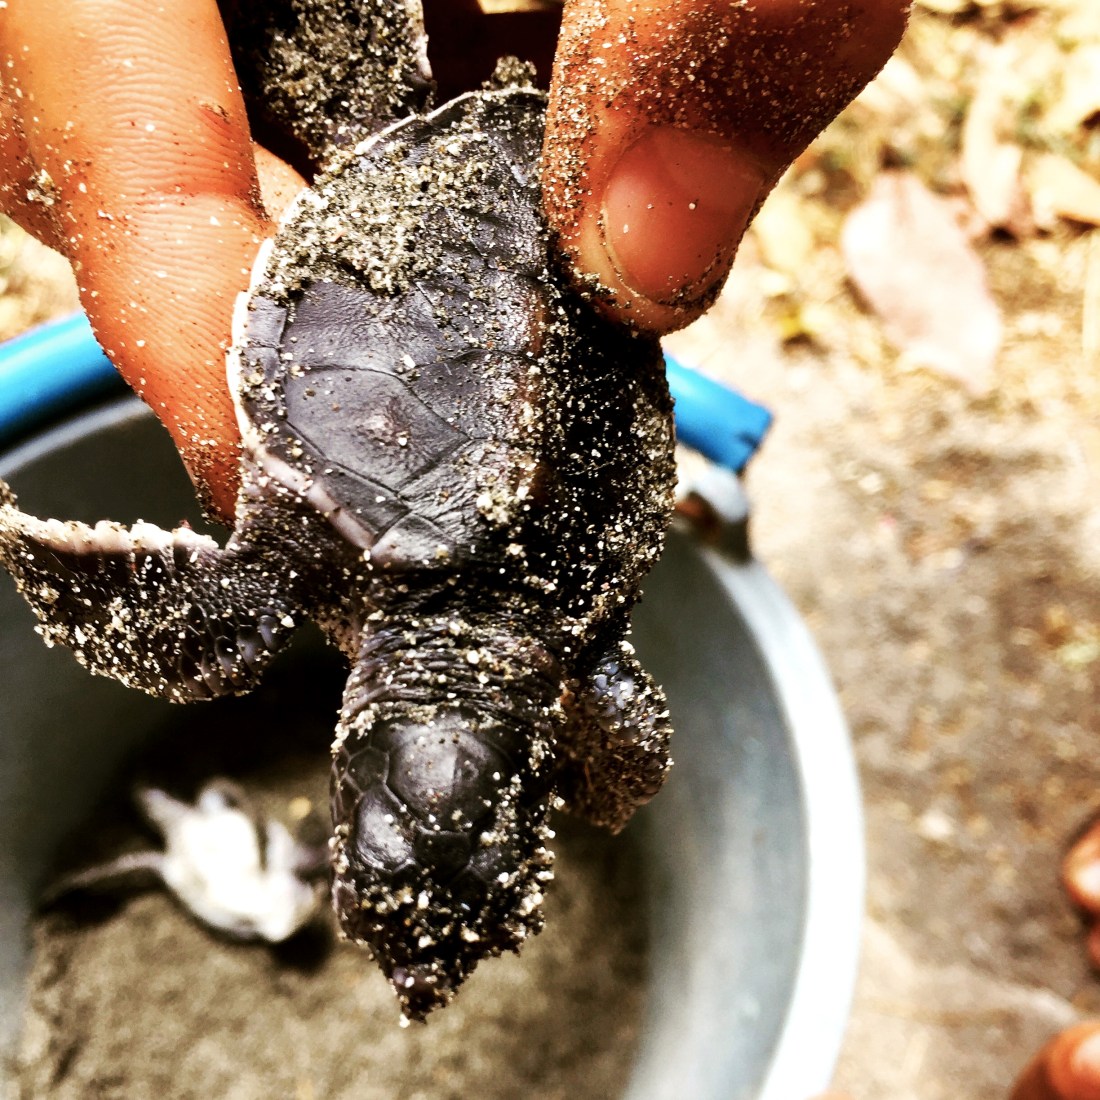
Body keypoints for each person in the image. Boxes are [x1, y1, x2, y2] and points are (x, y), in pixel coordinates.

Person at [8, 1, 1100, 1096]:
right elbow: (623, 736)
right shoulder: (337, 558)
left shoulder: (562, 631)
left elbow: (623, 725)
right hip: (473, 226)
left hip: (469, 235)